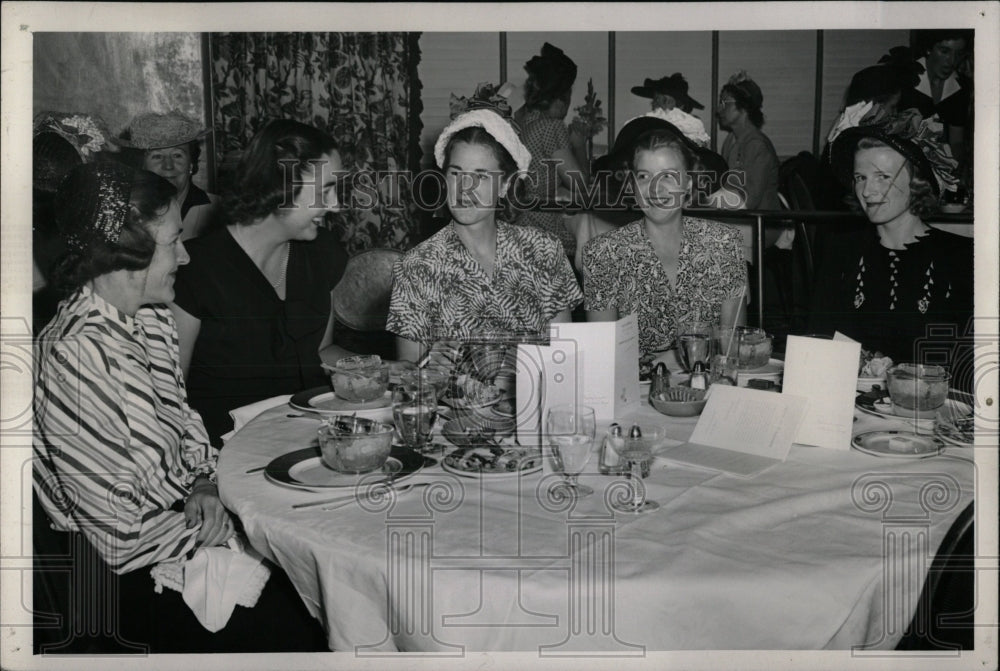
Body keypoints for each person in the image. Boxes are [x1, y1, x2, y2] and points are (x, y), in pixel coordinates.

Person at [31, 163, 327, 653]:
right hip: (116, 583)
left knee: (316, 591)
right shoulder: (74, 356)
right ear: (126, 251)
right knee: (307, 628)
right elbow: (120, 541)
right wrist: (240, 530)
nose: (185, 257)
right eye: (173, 242)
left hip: (182, 527)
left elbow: (184, 422)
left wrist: (205, 482)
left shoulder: (149, 318)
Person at [171, 119, 351, 445]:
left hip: (309, 440)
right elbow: (171, 399)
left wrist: (379, 369)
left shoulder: (324, 252)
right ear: (280, 185)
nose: (336, 204)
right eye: (325, 189)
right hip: (223, 452)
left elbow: (321, 351)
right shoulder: (193, 270)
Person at [387, 100, 583, 362]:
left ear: (504, 185)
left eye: (480, 176)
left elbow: (565, 353)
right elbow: (409, 378)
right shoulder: (416, 268)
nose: (464, 188)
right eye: (456, 173)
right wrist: (429, 364)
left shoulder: (544, 251)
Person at [811, 104, 973, 387]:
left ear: (917, 183)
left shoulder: (959, 257)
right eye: (860, 177)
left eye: (883, 177)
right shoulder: (840, 251)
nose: (867, 191)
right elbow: (816, 347)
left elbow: (966, 372)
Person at [582, 126, 747, 356]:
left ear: (689, 183)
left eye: (668, 176)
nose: (655, 189)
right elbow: (602, 356)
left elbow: (731, 351)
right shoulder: (603, 253)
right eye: (644, 176)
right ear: (631, 186)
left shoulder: (724, 243)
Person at [513, 43, 590, 258]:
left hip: (520, 220)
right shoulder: (551, 127)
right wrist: (579, 145)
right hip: (543, 224)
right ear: (560, 98)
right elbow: (579, 185)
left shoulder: (523, 121)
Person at [119, 110, 221, 240]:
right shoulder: (126, 214)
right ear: (141, 166)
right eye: (157, 156)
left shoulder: (218, 210)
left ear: (191, 164)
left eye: (177, 155)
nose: (168, 165)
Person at [631, 73, 705, 115]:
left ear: (681, 106)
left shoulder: (691, 130)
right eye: (656, 100)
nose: (659, 106)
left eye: (665, 101)